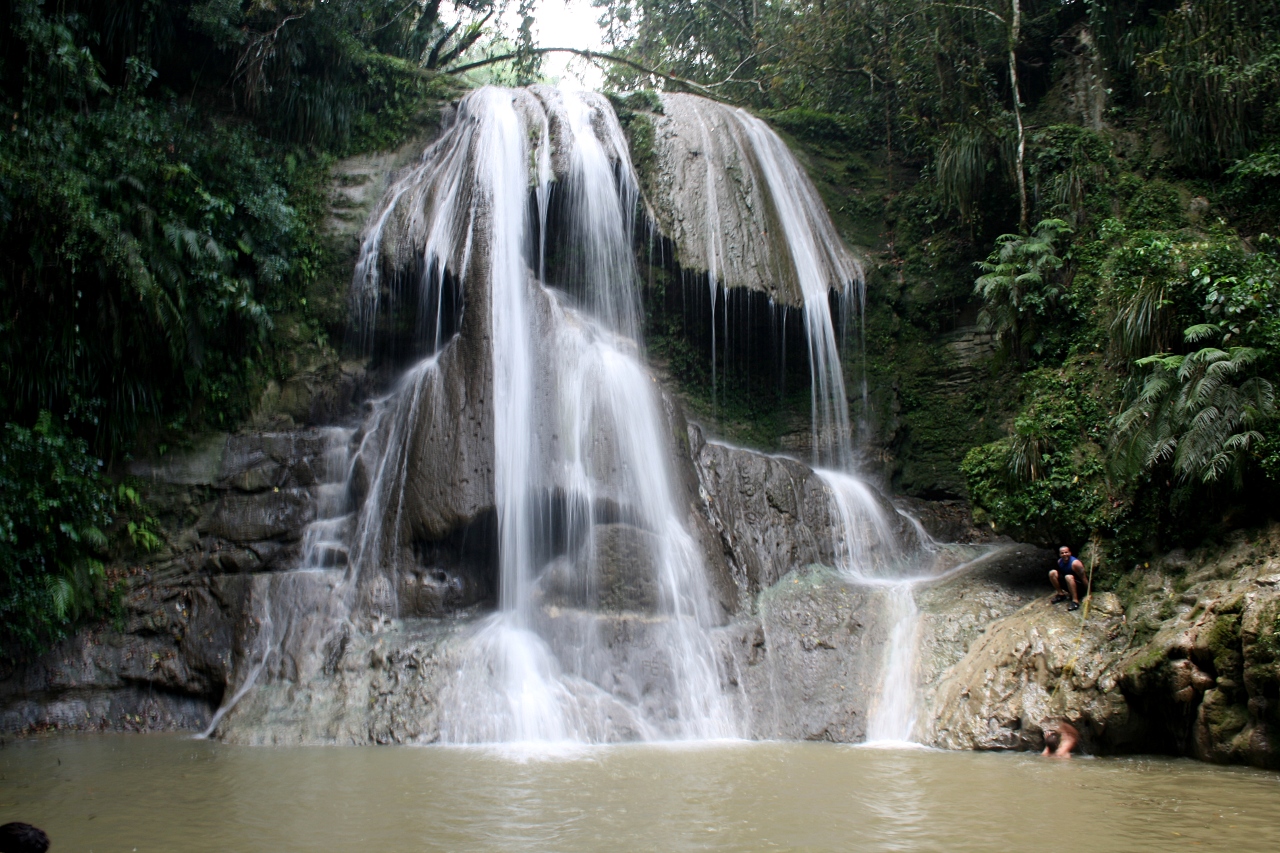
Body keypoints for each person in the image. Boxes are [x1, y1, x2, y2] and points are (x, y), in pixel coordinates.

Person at [1050, 545, 1086, 611]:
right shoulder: (1059, 561)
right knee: (1052, 573)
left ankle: (1075, 601)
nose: (1064, 554)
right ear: (1060, 554)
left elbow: (1083, 578)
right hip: (1068, 583)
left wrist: (1088, 593)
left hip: (1079, 587)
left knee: (1068, 577)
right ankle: (1061, 594)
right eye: (1062, 553)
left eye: (1066, 552)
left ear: (1070, 553)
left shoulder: (1075, 563)